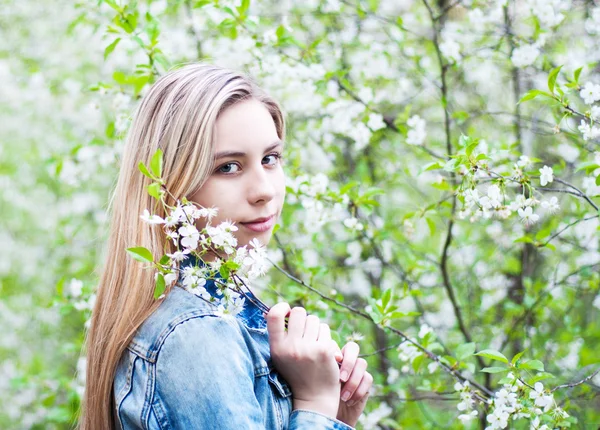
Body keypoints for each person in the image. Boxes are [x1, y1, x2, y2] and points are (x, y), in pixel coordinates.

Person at [79, 63, 372, 429]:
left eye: (270, 159)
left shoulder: (218, 310)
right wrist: (315, 403)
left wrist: (333, 415)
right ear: (172, 185)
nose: (264, 190)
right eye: (228, 167)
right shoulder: (196, 335)